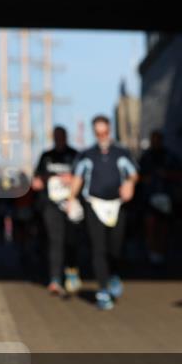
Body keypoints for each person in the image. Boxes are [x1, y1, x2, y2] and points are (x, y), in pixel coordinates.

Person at [69, 115, 138, 311]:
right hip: (94, 204)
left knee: (114, 247)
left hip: (117, 205)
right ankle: (102, 290)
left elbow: (133, 174)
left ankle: (114, 274)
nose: (102, 136)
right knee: (98, 248)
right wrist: (72, 199)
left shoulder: (121, 153)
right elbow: (77, 178)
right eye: (98, 133)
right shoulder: (86, 155)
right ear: (94, 133)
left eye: (105, 132)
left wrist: (130, 184)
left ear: (110, 130)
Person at [32, 126, 82, 296]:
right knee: (55, 240)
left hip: (71, 203)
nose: (59, 139)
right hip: (51, 205)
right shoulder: (46, 156)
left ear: (66, 137)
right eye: (56, 136)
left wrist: (73, 179)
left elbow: (83, 177)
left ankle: (72, 270)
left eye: (62, 136)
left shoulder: (75, 155)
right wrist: (41, 181)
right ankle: (55, 278)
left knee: (71, 239)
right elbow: (37, 178)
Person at [138, 129, 182, 267]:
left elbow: (181, 174)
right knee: (150, 224)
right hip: (149, 197)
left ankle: (161, 252)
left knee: (164, 226)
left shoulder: (170, 157)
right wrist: (146, 179)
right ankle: (152, 253)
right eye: (153, 139)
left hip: (167, 196)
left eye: (158, 139)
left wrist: (166, 174)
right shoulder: (145, 157)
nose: (155, 142)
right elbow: (136, 176)